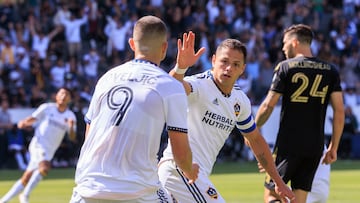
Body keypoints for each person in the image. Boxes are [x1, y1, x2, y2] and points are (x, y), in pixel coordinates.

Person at [70, 15, 199, 203]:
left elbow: (89, 135)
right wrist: (189, 169)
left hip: (87, 187)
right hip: (137, 192)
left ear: (132, 44)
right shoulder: (171, 87)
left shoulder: (106, 78)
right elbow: (180, 154)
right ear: (164, 48)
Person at [158, 33, 295, 202]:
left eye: (235, 64)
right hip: (179, 170)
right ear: (214, 60)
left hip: (195, 175)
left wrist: (278, 181)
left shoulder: (240, 101)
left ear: (243, 68)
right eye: (224, 61)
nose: (229, 68)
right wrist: (180, 68)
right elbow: (171, 88)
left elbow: (255, 140)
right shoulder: (200, 85)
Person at [255, 24, 345, 203]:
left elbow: (268, 105)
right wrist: (333, 147)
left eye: (285, 42)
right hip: (315, 146)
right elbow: (339, 111)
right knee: (299, 199)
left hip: (289, 144)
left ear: (295, 42)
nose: (282, 47)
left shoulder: (286, 67)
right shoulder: (330, 70)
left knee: (271, 195)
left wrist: (254, 128)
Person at [0, 87, 76, 203]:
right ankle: (25, 195)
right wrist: (24, 122)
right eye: (61, 93)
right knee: (45, 167)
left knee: (27, 177)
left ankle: (5, 200)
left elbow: (72, 137)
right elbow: (34, 118)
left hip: (50, 151)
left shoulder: (70, 116)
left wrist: (70, 127)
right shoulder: (47, 108)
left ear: (70, 99)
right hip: (38, 144)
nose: (63, 96)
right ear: (56, 96)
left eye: (66, 94)